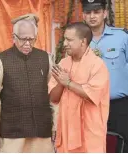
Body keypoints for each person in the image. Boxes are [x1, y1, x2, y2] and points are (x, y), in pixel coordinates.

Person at [0, 14, 54, 153]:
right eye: (23, 39)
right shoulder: (1, 59)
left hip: (41, 129)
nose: (27, 44)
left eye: (31, 39)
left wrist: (56, 125)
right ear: (13, 37)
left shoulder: (45, 58)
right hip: (12, 132)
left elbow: (53, 95)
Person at [49, 22, 109, 152]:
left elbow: (92, 95)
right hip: (66, 131)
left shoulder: (97, 65)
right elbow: (53, 98)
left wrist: (68, 83)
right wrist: (61, 82)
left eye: (69, 40)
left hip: (89, 133)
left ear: (83, 42)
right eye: (64, 39)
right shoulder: (63, 63)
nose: (65, 43)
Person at [81, 0, 128, 152]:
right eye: (88, 12)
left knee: (122, 145)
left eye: (97, 11)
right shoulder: (78, 40)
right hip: (90, 106)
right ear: (83, 15)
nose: (92, 16)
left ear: (105, 13)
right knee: (92, 146)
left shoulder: (122, 37)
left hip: (118, 106)